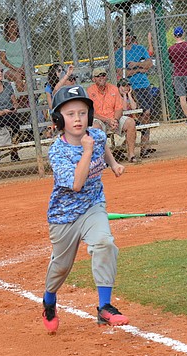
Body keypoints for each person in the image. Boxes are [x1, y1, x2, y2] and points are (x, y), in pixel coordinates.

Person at [41, 85, 127, 333]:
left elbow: (103, 147)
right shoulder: (58, 152)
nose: (77, 119)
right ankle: (49, 300)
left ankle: (104, 307)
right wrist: (87, 151)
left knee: (104, 243)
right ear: (59, 119)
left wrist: (113, 164)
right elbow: (77, 184)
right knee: (61, 267)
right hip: (64, 215)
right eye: (70, 114)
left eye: (82, 113)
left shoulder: (96, 136)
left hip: (93, 205)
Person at [88, 67, 138, 162]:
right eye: (98, 76)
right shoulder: (90, 91)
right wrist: (107, 120)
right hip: (100, 119)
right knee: (95, 127)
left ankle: (131, 155)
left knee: (130, 122)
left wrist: (115, 120)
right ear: (93, 79)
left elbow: (119, 108)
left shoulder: (113, 89)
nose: (101, 77)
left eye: (103, 75)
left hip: (114, 118)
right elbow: (91, 112)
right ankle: (100, 159)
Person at [114, 29, 159, 121]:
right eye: (123, 36)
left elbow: (149, 64)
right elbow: (122, 73)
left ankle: (144, 132)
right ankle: (143, 130)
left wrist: (136, 64)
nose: (126, 38)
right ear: (119, 38)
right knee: (145, 111)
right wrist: (140, 69)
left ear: (131, 36)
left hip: (145, 84)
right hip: (132, 86)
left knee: (148, 112)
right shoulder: (119, 53)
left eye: (127, 35)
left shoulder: (140, 49)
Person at [117, 78, 154, 157]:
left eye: (128, 86)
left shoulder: (131, 96)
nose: (126, 88)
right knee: (132, 132)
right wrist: (123, 95)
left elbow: (134, 107)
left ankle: (144, 150)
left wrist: (129, 95)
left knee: (144, 129)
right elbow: (124, 108)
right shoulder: (117, 97)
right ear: (119, 87)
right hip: (122, 121)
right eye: (123, 86)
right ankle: (119, 150)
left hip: (132, 120)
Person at [168, 26, 187, 121]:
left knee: (182, 97)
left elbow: (171, 60)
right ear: (183, 34)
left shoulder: (171, 48)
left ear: (174, 36)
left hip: (178, 73)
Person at [0, 17, 26, 88]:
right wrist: (15, 69)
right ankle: (22, 98)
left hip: (23, 67)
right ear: (7, 28)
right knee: (18, 77)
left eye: (16, 26)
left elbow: (27, 56)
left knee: (29, 79)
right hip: (9, 68)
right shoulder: (3, 40)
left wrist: (23, 67)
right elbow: (3, 59)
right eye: (12, 26)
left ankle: (24, 98)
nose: (15, 28)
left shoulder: (22, 38)